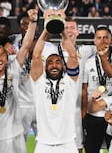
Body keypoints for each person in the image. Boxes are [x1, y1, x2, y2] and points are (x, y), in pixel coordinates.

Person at [0, 8, 36, 153]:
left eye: (2, 55)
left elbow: (26, 45)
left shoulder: (13, 70)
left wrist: (33, 22)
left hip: (15, 134)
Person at [30, 8, 79, 153]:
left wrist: (61, 27)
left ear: (63, 66)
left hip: (68, 143)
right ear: (45, 67)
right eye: (50, 62)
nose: (54, 65)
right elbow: (36, 55)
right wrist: (47, 27)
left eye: (58, 62)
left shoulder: (70, 82)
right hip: (44, 144)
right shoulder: (38, 82)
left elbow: (72, 55)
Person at [82, 26, 112, 152]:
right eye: (99, 38)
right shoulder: (88, 62)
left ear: (111, 40)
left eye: (106, 37)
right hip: (94, 115)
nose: (102, 41)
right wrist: (84, 112)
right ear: (94, 41)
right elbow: (84, 89)